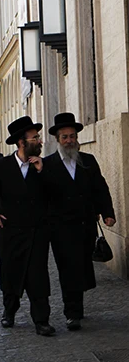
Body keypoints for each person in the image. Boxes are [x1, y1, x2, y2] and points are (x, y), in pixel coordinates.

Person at [43, 112, 116, 331]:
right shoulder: (48, 165)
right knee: (68, 268)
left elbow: (100, 189)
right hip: (61, 228)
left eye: (72, 136)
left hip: (85, 226)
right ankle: (71, 313)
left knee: (82, 266)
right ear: (58, 139)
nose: (69, 140)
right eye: (65, 137)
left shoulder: (88, 161)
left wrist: (107, 213)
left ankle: (77, 307)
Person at [0, 116, 55, 336]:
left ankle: (41, 320)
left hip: (36, 232)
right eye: (35, 138)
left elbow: (54, 194)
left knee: (38, 277)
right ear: (22, 143)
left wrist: (42, 171)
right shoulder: (1, 165)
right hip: (11, 231)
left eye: (38, 137)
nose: (39, 141)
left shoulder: (42, 166)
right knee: (10, 275)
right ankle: (9, 311)